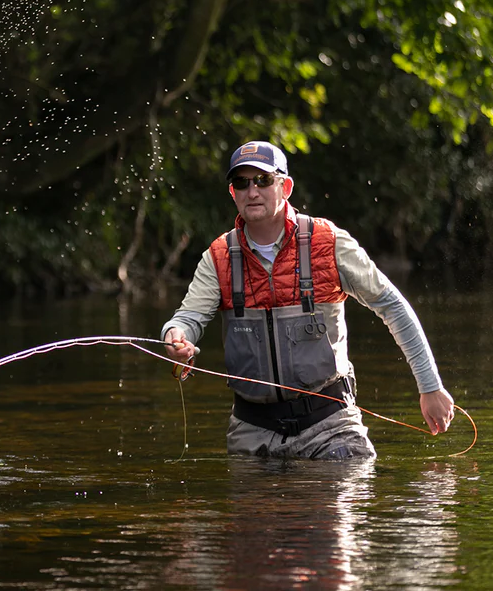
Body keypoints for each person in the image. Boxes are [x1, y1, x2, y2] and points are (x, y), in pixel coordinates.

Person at [161, 140, 455, 459]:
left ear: (285, 187)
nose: (252, 191)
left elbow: (393, 307)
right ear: (233, 193)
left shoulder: (328, 242)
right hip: (252, 432)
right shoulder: (218, 257)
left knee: (353, 475)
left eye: (263, 180)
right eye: (242, 183)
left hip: (331, 425)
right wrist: (175, 338)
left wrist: (430, 386)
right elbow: (186, 320)